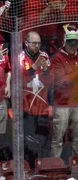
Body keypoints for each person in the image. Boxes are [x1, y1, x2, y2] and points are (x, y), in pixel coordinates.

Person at [50, 25, 78, 159]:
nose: (73, 45)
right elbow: (60, 82)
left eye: (75, 43)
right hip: (62, 104)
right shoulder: (56, 58)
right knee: (58, 138)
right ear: (64, 42)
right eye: (70, 42)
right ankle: (54, 164)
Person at [20, 31, 54, 168]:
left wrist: (45, 69)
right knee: (28, 142)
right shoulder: (21, 57)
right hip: (27, 107)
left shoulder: (44, 55)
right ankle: (29, 168)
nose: (37, 46)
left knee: (44, 141)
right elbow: (21, 80)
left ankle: (44, 168)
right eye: (34, 43)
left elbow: (51, 81)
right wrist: (35, 66)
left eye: (39, 43)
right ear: (26, 43)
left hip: (42, 106)